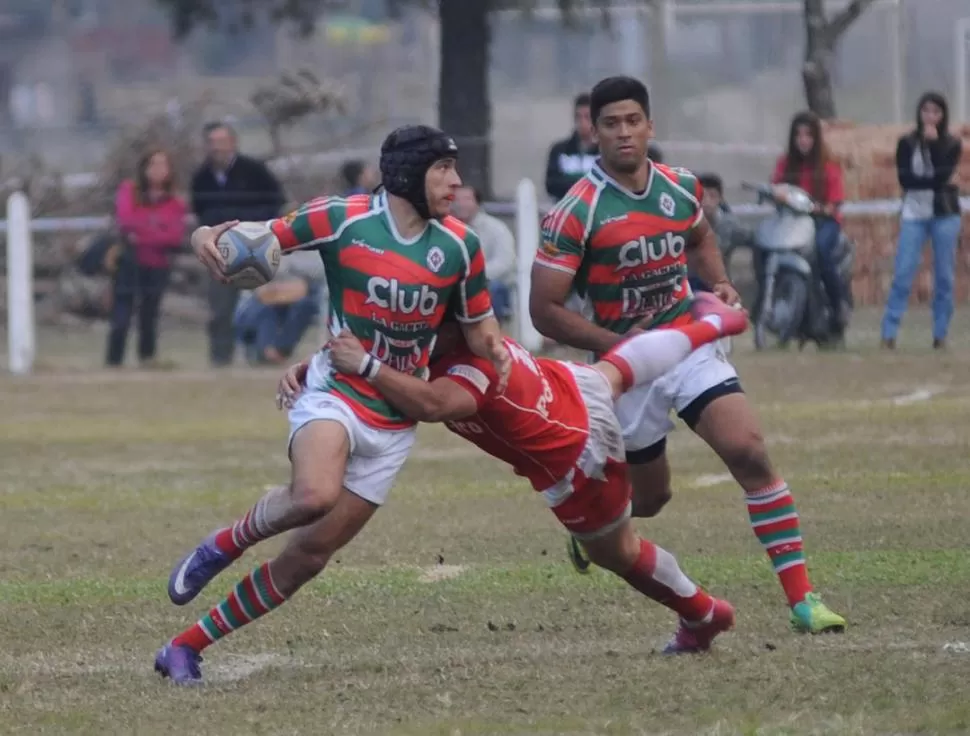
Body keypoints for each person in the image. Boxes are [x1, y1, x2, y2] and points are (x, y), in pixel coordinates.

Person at [154, 125, 511, 685]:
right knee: (315, 495)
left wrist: (493, 346)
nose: (456, 181)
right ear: (406, 175)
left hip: (396, 419)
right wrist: (205, 236)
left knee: (306, 559)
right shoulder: (340, 218)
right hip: (336, 392)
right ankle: (223, 544)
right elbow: (252, 236)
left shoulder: (459, 246)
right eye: (443, 168)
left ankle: (185, 646)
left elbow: (478, 322)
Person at [529, 76, 845, 635]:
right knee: (651, 499)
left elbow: (699, 238)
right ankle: (591, 529)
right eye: (610, 124)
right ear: (594, 133)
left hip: (689, 342)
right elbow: (544, 311)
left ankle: (803, 600)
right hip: (626, 370)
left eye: (633, 121)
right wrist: (616, 346)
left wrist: (719, 283)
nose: (623, 133)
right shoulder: (574, 211)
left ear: (650, 126)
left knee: (748, 450)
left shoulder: (679, 187)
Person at [313, 293, 749, 653]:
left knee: (616, 553)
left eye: (423, 324)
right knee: (615, 370)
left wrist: (367, 367)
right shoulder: (468, 339)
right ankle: (713, 324)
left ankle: (704, 615)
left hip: (577, 452)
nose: (412, 330)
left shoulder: (471, 367)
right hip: (568, 383)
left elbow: (431, 405)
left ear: (447, 329)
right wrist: (315, 367)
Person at [191, 121, 287, 367]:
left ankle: (262, 355)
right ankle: (220, 359)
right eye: (211, 143)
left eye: (221, 143)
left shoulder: (254, 171)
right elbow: (200, 211)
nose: (216, 149)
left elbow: (276, 201)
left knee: (264, 303)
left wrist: (247, 224)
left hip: (258, 249)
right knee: (220, 310)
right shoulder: (201, 178)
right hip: (220, 253)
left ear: (233, 143)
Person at [881, 91, 964, 350]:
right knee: (903, 272)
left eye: (935, 112)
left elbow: (942, 174)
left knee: (944, 276)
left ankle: (940, 333)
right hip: (914, 214)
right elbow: (906, 180)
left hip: (944, 214)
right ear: (919, 113)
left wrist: (934, 145)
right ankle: (889, 332)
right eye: (925, 111)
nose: (930, 117)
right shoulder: (906, 143)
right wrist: (933, 183)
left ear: (942, 116)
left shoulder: (952, 144)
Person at [106, 149, 187, 368]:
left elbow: (173, 236)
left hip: (158, 264)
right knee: (121, 315)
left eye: (163, 165)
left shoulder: (176, 202)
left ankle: (147, 359)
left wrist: (145, 232)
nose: (158, 170)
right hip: (129, 262)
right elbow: (126, 223)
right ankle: (114, 361)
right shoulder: (129, 191)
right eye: (153, 164)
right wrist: (154, 229)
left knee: (149, 315)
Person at [771, 111, 847, 337]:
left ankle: (838, 304)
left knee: (822, 253)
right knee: (765, 246)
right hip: (793, 221)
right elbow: (775, 187)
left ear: (816, 138)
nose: (803, 140)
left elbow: (835, 204)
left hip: (824, 221)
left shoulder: (829, 166)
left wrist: (820, 208)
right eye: (798, 135)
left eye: (808, 135)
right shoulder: (785, 164)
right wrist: (776, 194)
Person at [233, 251, 324, 365]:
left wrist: (290, 265)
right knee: (262, 308)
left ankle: (280, 349)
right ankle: (265, 350)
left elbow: (320, 270)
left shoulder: (312, 247)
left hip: (306, 292)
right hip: (272, 291)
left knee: (303, 307)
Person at [451, 185, 516, 325]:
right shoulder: (445, 228)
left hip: (488, 282)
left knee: (493, 290)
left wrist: (474, 276)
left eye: (467, 199)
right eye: (457, 199)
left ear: (477, 202)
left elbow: (505, 262)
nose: (461, 204)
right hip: (454, 282)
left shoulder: (496, 228)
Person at [545, 93, 599, 201]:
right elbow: (551, 184)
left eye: (587, 117)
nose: (582, 123)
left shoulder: (605, 152)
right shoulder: (559, 150)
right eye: (578, 117)